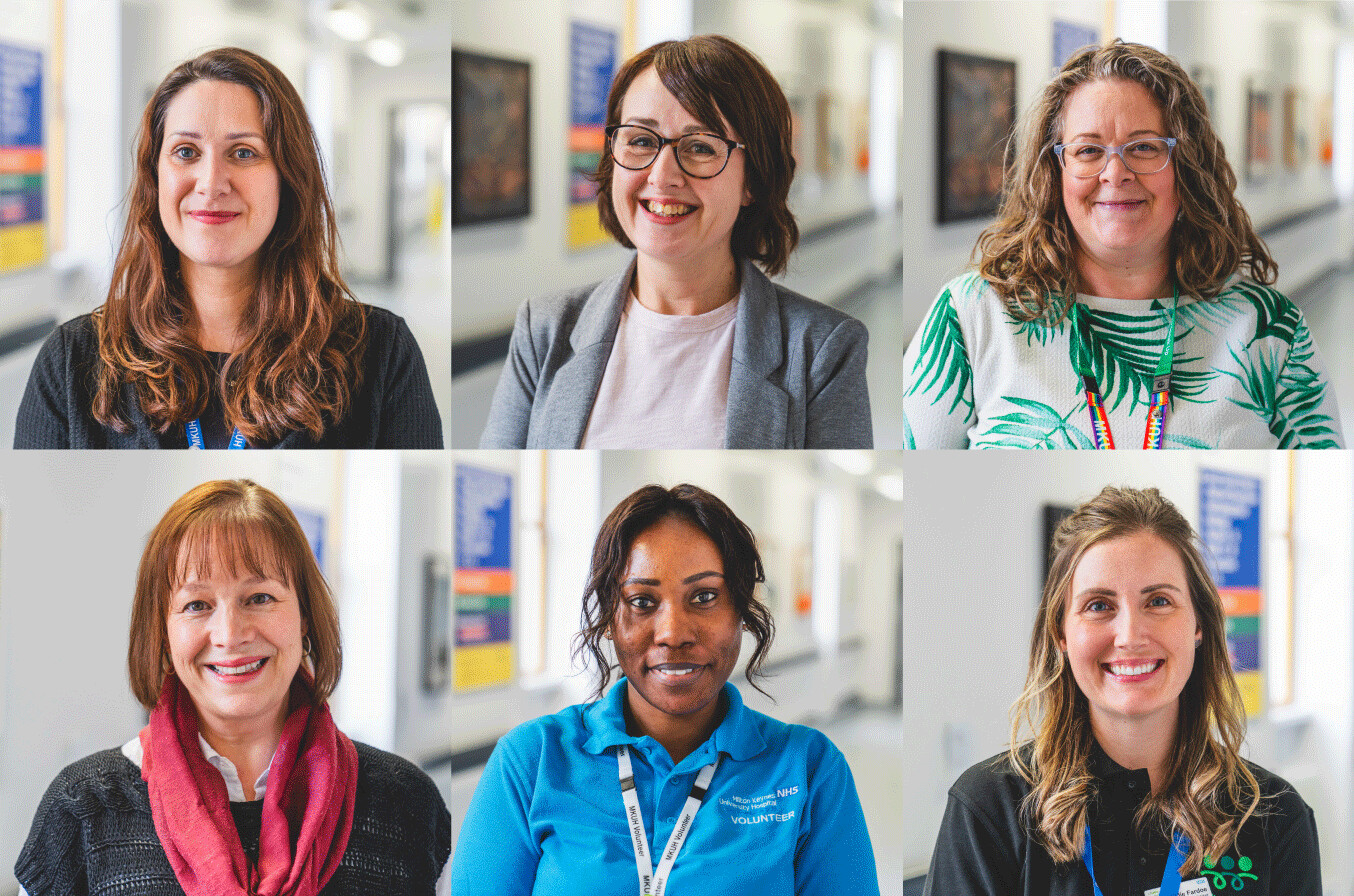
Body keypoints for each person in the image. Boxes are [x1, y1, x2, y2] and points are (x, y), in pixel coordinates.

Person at [15, 479, 451, 894]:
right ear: (162, 634)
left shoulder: (406, 805)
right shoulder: (82, 810)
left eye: (259, 598)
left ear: (304, 618)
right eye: (196, 605)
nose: (229, 634)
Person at [904, 40, 1342, 449]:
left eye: (1144, 148)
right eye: (1088, 151)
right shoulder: (971, 316)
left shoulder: (1268, 331)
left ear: (1185, 167)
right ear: (1053, 172)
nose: (1116, 173)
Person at [450, 483, 880, 893]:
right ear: (609, 620)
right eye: (642, 601)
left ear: (742, 612)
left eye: (704, 597)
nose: (673, 633)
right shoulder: (532, 761)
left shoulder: (807, 769)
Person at [15, 47, 443, 448]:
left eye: (243, 152)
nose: (211, 183)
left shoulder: (382, 355)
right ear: (155, 177)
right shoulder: (72, 362)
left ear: (288, 177)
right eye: (186, 151)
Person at [923, 486, 1321, 895]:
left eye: (1159, 601)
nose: (1130, 636)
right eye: (1099, 605)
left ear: (1198, 624)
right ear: (1061, 632)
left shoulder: (1274, 815)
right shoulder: (989, 808)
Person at [479, 36, 872, 449]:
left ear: (752, 180)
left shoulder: (823, 353)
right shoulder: (543, 332)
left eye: (700, 147)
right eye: (641, 141)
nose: (663, 176)